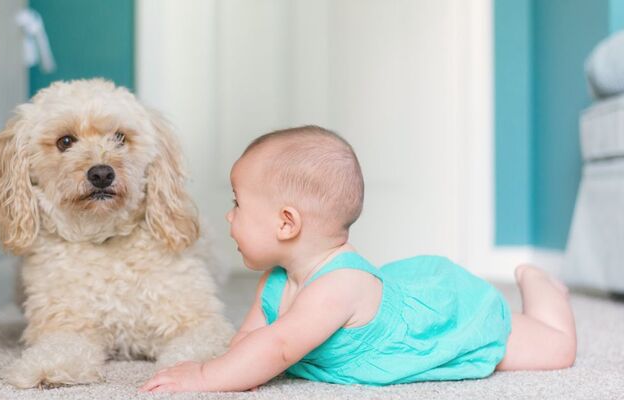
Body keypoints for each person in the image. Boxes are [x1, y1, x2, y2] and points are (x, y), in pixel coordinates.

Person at [140, 125, 577, 393]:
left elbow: (278, 346)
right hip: (394, 292)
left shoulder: (337, 286)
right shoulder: (275, 281)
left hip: (440, 318)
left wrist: (204, 377)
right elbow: (251, 342)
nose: (228, 215)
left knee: (555, 350)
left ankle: (540, 285)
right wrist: (233, 368)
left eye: (238, 205)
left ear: (286, 223)